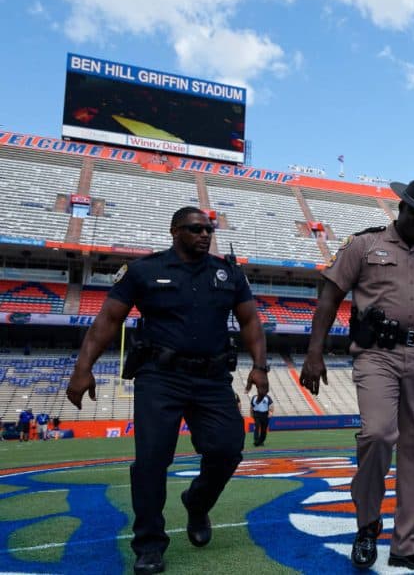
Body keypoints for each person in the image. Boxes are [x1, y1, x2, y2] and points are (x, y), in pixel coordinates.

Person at [66, 206, 269, 575]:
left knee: (227, 451)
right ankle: (149, 545)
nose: (205, 235)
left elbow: (250, 320)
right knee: (151, 462)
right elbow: (108, 320)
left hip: (212, 378)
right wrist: (83, 369)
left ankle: (197, 502)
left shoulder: (229, 273)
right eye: (195, 229)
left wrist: (260, 366)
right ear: (174, 231)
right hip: (160, 377)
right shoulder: (144, 271)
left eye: (208, 229)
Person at [300, 175, 414, 572]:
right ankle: (366, 525)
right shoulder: (365, 244)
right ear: (402, 207)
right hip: (377, 354)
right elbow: (330, 297)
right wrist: (314, 352)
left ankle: (407, 546)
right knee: (377, 434)